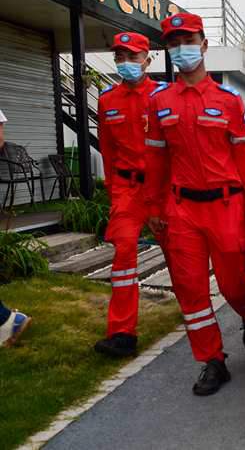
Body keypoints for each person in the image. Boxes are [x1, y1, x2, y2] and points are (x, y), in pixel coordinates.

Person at [145, 12, 245, 396]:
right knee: (190, 289)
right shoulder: (160, 101)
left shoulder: (228, 101)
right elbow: (156, 161)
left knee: (233, 284)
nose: (182, 49)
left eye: (188, 40)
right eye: (174, 43)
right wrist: (153, 207)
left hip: (226, 206)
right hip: (181, 209)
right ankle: (212, 360)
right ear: (168, 49)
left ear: (203, 45)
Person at [93, 32, 171, 358]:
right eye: (119, 57)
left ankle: (195, 307)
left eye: (132, 57)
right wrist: (114, 192)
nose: (125, 63)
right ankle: (122, 333)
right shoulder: (107, 100)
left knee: (179, 254)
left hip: (161, 189)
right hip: (126, 189)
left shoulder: (164, 96)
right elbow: (108, 152)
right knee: (123, 256)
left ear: (147, 61)